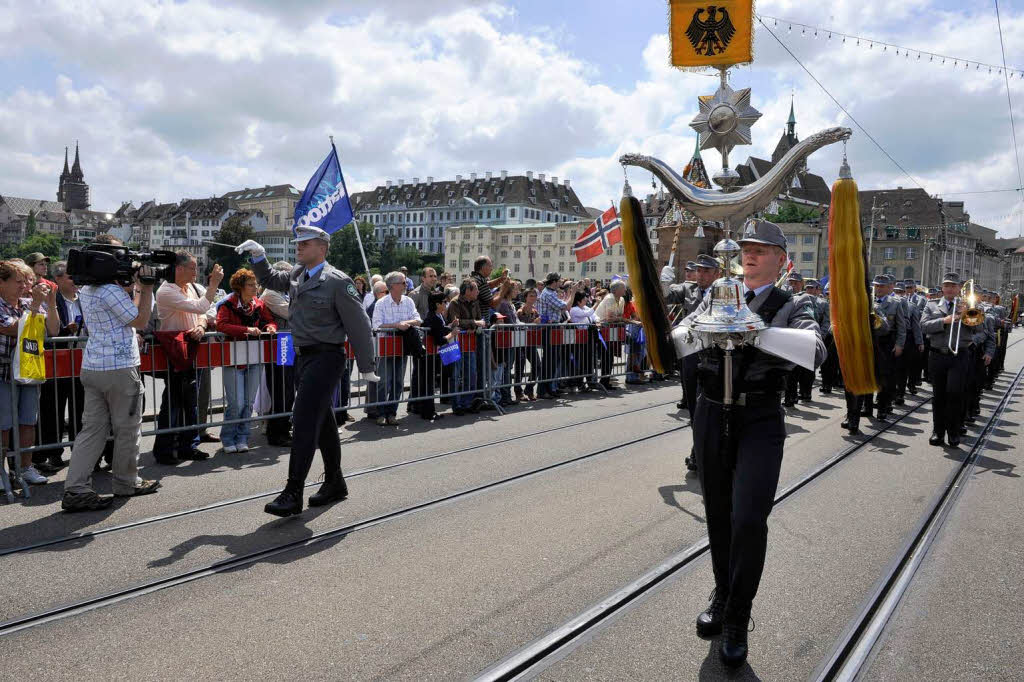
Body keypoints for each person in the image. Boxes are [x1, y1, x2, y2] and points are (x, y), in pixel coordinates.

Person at [684, 220, 824, 668]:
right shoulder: (717, 293)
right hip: (710, 411)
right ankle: (724, 594)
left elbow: (815, 350)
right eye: (747, 247)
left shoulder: (792, 302)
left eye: (763, 249)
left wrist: (747, 330)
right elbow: (682, 337)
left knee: (747, 517)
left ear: (782, 260)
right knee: (718, 514)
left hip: (759, 416)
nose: (752, 254)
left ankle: (739, 616)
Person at [237, 227, 376, 517]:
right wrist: (259, 256)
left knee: (302, 419)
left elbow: (360, 325)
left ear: (322, 248)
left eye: (305, 243)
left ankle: (293, 491)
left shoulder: (338, 281)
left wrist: (367, 366)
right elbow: (271, 279)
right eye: (298, 243)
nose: (299, 247)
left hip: (327, 357)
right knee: (322, 422)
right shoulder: (299, 274)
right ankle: (335, 481)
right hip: (303, 358)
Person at [60, 248, 161, 511]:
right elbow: (139, 320)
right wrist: (147, 288)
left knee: (91, 430)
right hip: (119, 368)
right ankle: (127, 482)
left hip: (93, 366)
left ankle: (76, 488)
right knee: (127, 428)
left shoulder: (88, 290)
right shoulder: (110, 291)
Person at [152, 252, 224, 464]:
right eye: (192, 268)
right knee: (173, 402)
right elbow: (201, 306)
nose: (196, 271)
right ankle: (165, 450)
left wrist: (201, 325)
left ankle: (188, 446)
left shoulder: (190, 288)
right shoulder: (166, 291)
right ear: (179, 269)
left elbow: (204, 312)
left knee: (190, 401)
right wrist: (214, 285)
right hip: (175, 351)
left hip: (191, 348)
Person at [0, 261, 60, 487]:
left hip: (28, 371)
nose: (24, 285)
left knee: (28, 421)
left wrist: (51, 303)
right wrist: (36, 304)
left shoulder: (27, 303)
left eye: (27, 281)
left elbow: (53, 330)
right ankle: (2, 471)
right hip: (3, 372)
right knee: (3, 425)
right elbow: (11, 327)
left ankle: (25, 468)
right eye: (18, 282)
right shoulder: (15, 305)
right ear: (1, 282)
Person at [663, 253, 721, 473]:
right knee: (694, 405)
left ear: (717, 274)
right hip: (690, 353)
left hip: (714, 354)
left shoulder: (723, 291)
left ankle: (698, 452)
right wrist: (664, 283)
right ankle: (700, 447)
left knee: (706, 404)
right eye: (699, 270)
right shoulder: (688, 289)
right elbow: (665, 297)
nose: (701, 275)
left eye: (706, 271)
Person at [34, 260, 87, 473]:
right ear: (58, 279)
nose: (75, 281)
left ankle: (80, 451)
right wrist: (66, 330)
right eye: (70, 277)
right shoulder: (51, 299)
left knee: (80, 409)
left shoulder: (83, 298)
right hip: (56, 363)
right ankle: (51, 453)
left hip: (80, 362)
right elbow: (49, 331)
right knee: (52, 409)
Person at [216, 268, 277, 453]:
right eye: (251, 285)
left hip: (254, 358)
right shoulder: (227, 304)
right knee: (237, 403)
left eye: (255, 284)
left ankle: (242, 437)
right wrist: (246, 330)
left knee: (249, 402)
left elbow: (270, 321)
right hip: (234, 359)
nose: (255, 288)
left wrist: (271, 327)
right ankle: (227, 438)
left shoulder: (258, 304)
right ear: (240, 287)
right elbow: (221, 324)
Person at [921, 273, 978, 448]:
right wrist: (943, 321)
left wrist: (966, 315)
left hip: (959, 355)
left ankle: (953, 432)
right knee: (938, 395)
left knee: (955, 394)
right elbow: (923, 326)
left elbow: (979, 328)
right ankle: (938, 431)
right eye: (947, 285)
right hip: (937, 355)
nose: (950, 289)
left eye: (954, 286)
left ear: (959, 288)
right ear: (942, 288)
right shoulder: (931, 305)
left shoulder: (968, 306)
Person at [371, 271, 421, 425]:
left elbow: (418, 319)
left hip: (403, 346)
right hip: (386, 347)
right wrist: (397, 325)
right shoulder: (381, 303)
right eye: (403, 282)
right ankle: (380, 413)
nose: (406, 285)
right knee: (384, 381)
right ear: (392, 286)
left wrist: (407, 323)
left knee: (398, 382)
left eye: (405, 282)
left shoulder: (408, 301)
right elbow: (376, 325)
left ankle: (391, 413)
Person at [260, 261, 296, 446]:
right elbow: (291, 313)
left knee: (288, 389)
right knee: (282, 389)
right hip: (281, 343)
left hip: (288, 343)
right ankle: (277, 432)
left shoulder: (285, 293)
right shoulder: (271, 293)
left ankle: (284, 427)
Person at [445, 279, 484, 415]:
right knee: (455, 375)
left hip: (469, 343)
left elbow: (481, 321)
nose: (478, 292)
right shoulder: (454, 302)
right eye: (476, 289)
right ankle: (457, 405)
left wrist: (472, 325)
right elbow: (455, 322)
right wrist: (473, 323)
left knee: (471, 374)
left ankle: (467, 403)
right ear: (468, 291)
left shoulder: (475, 302)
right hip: (454, 343)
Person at [414, 292, 454, 421]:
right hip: (429, 355)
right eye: (444, 302)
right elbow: (440, 340)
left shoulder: (438, 316)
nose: (446, 304)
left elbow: (440, 330)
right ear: (437, 304)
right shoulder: (434, 317)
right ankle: (428, 412)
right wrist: (452, 334)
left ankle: (425, 409)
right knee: (428, 384)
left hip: (432, 354)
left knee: (428, 383)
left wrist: (450, 327)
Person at [594, 280, 626, 391]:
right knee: (606, 356)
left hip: (612, 330)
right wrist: (620, 318)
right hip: (602, 330)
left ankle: (605, 381)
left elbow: (618, 315)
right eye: (623, 288)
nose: (625, 290)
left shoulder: (621, 299)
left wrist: (619, 318)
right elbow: (609, 318)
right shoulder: (610, 298)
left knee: (610, 356)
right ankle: (603, 381)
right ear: (616, 290)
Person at [515, 288, 541, 400]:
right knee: (520, 367)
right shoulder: (520, 311)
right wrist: (533, 323)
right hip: (520, 342)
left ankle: (529, 388)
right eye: (531, 295)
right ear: (525, 297)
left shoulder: (535, 311)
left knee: (538, 365)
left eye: (534, 295)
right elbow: (520, 325)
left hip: (531, 342)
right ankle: (518, 392)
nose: (533, 298)